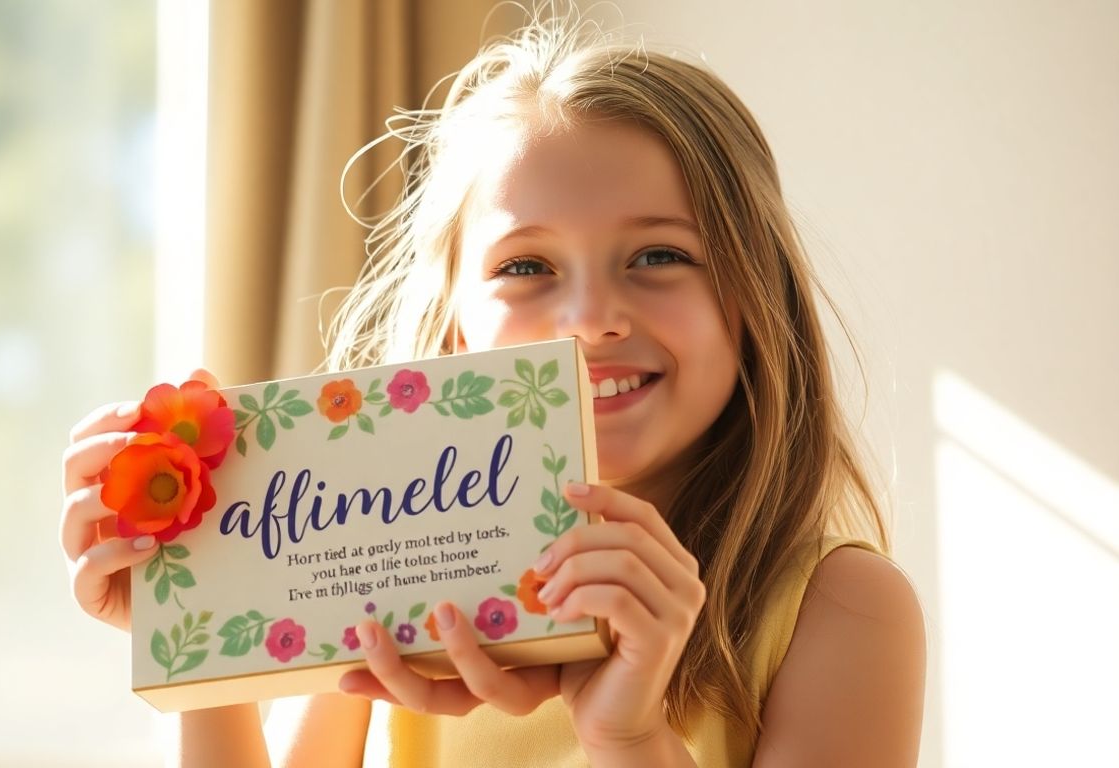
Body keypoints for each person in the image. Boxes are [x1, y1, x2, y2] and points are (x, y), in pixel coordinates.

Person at [60, 8, 925, 767]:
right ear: (452, 326)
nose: (591, 318)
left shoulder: (842, 609)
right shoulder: (381, 560)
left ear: (754, 296)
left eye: (659, 255)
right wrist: (191, 630)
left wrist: (628, 739)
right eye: (527, 267)